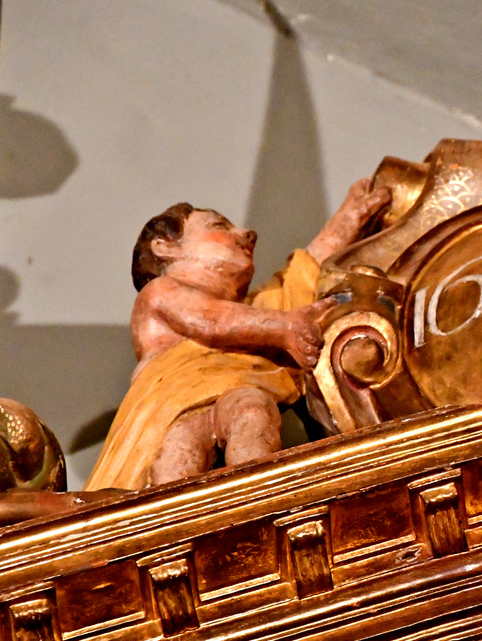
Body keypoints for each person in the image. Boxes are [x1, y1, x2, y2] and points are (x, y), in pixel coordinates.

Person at [85, 179, 389, 490]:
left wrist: (351, 216)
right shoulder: (160, 291)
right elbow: (210, 320)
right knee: (178, 452)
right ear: (165, 247)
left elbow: (303, 272)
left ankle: (254, 504)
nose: (247, 234)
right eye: (218, 226)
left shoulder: (258, 312)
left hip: (236, 393)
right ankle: (173, 516)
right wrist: (284, 327)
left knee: (254, 412)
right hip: (174, 406)